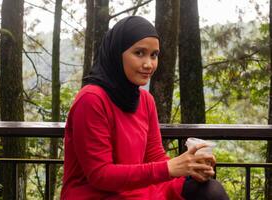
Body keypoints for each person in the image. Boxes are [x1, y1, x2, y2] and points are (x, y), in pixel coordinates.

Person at [61, 16, 229, 200]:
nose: (149, 64)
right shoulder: (92, 99)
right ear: (118, 53)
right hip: (97, 194)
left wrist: (189, 166)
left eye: (154, 55)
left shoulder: (145, 100)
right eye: (139, 53)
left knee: (211, 192)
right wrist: (170, 168)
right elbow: (100, 175)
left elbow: (155, 156)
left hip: (139, 190)